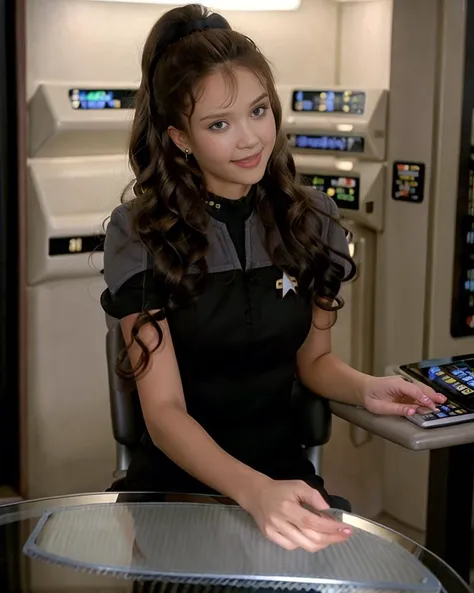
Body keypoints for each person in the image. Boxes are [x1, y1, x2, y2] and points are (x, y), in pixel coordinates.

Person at [101, 3, 445, 554]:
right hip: (176, 492)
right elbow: (163, 414)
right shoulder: (140, 234)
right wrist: (252, 491)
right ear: (179, 138)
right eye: (219, 123)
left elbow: (314, 362)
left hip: (283, 477)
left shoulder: (314, 220)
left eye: (259, 111)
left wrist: (367, 388)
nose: (250, 139)